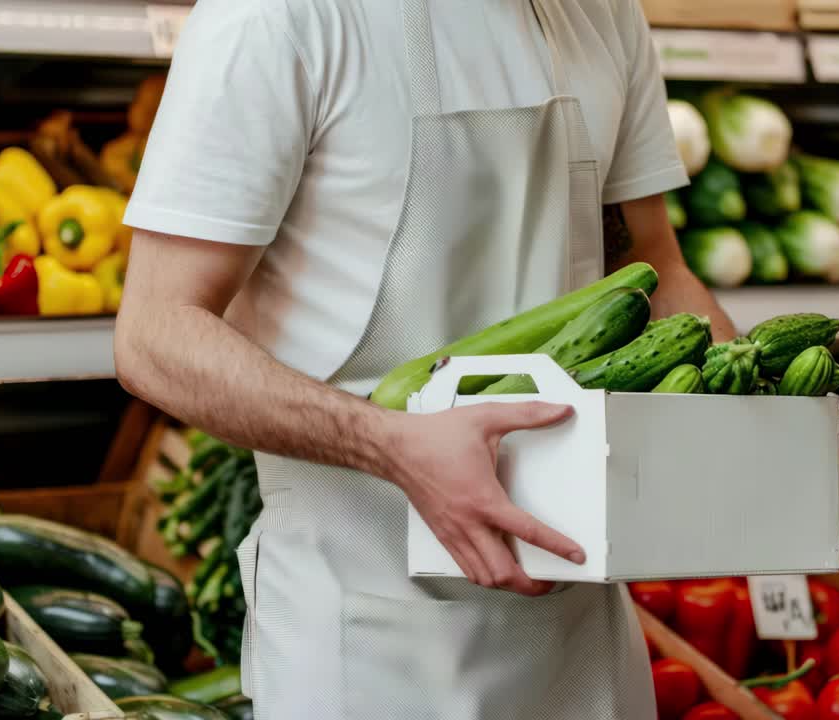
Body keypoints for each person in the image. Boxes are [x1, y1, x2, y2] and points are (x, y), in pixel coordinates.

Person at [114, 0, 736, 717]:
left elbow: (656, 269)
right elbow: (154, 334)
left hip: (581, 631)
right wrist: (392, 444)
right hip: (367, 636)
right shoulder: (280, 17)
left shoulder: (601, 15)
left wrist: (763, 422)